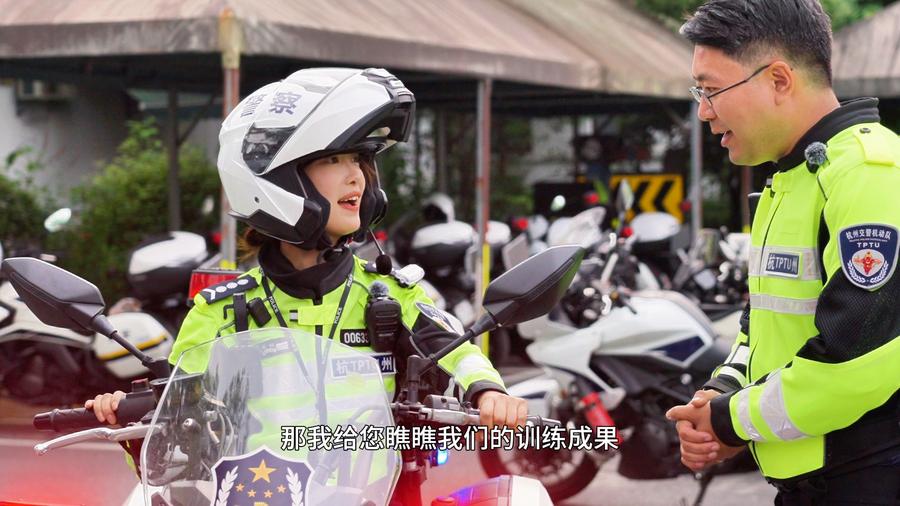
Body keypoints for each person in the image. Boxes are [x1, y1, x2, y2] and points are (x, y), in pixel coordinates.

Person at [86, 68, 525, 494]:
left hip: (378, 494)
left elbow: (458, 352)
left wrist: (488, 392)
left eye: (359, 160)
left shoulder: (389, 296)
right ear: (279, 180)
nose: (357, 176)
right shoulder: (222, 312)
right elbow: (174, 427)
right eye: (334, 159)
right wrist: (134, 425)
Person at [665, 1, 900, 504]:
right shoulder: (791, 179)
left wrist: (730, 420)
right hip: (811, 486)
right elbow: (762, 326)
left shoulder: (868, 173)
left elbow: (854, 359)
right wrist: (721, 392)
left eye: (711, 90)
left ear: (778, 79)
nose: (704, 111)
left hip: (872, 477)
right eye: (699, 93)